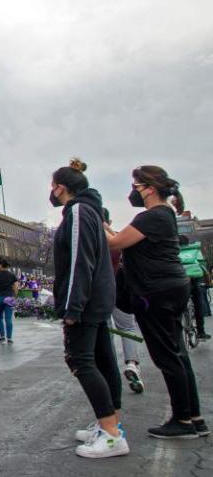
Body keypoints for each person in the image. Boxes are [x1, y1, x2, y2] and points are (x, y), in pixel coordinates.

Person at [105, 165, 205, 439]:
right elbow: (123, 239)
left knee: (167, 357)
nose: (133, 191)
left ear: (149, 188)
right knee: (178, 354)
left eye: (136, 186)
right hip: (171, 287)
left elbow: (115, 243)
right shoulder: (165, 214)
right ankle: (194, 417)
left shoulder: (152, 216)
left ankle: (182, 421)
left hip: (155, 291)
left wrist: (95, 220)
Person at [50, 158, 127, 458]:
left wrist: (72, 306)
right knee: (103, 359)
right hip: (96, 298)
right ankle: (110, 424)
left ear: (60, 188)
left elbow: (81, 260)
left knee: (80, 361)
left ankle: (110, 435)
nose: (52, 192)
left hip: (87, 300)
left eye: (53, 186)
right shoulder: (88, 209)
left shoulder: (79, 211)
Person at [104, 207, 145, 394]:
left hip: (100, 293)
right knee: (127, 328)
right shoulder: (116, 239)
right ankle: (131, 363)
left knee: (106, 333)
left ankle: (109, 371)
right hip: (119, 288)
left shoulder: (88, 239)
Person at [0, 259, 18, 344]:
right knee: (8, 319)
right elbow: (16, 286)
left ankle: (2, 336)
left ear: (1, 265)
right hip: (9, 298)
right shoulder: (12, 275)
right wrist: (14, 296)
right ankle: (9, 338)